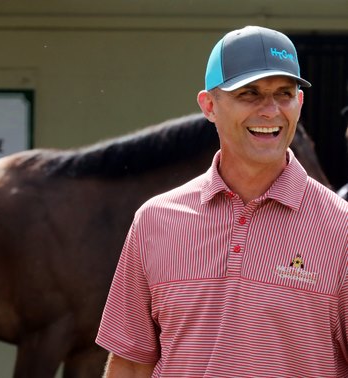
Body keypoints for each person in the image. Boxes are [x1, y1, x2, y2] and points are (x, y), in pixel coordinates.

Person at [96, 26, 348, 377]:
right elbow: (131, 364)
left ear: (299, 103)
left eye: (284, 94)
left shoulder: (342, 228)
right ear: (209, 106)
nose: (270, 110)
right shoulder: (154, 221)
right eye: (250, 94)